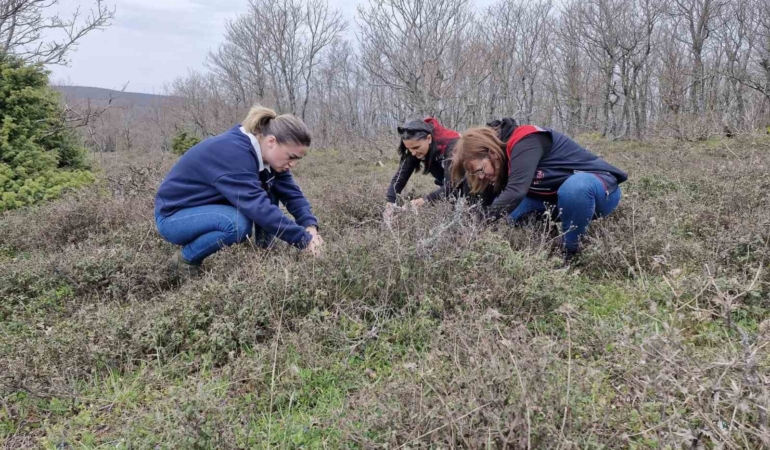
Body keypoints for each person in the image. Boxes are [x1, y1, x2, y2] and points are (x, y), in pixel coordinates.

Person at [154, 105, 324, 277]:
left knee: (269, 190)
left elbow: (292, 194)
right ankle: (185, 261)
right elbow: (259, 208)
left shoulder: (268, 157)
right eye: (291, 157)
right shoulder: (233, 153)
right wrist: (303, 241)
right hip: (174, 218)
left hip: (207, 209)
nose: (293, 164)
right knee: (235, 224)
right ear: (271, 141)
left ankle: (264, 251)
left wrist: (310, 227)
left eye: (298, 159)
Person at [451, 118, 627, 262]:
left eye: (480, 170)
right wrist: (463, 232)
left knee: (575, 188)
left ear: (492, 153)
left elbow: (516, 191)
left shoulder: (526, 140)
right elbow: (477, 197)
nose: (480, 176)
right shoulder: (500, 161)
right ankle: (550, 240)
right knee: (509, 216)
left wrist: (482, 222)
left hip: (599, 192)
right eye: (476, 173)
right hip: (554, 200)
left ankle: (570, 251)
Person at [384, 117, 461, 218]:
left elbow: (452, 185)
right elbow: (400, 177)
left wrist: (423, 201)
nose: (413, 153)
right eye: (409, 148)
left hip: (470, 180)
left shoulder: (451, 145)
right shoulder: (413, 147)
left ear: (429, 139)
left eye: (416, 148)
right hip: (446, 181)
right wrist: (390, 202)